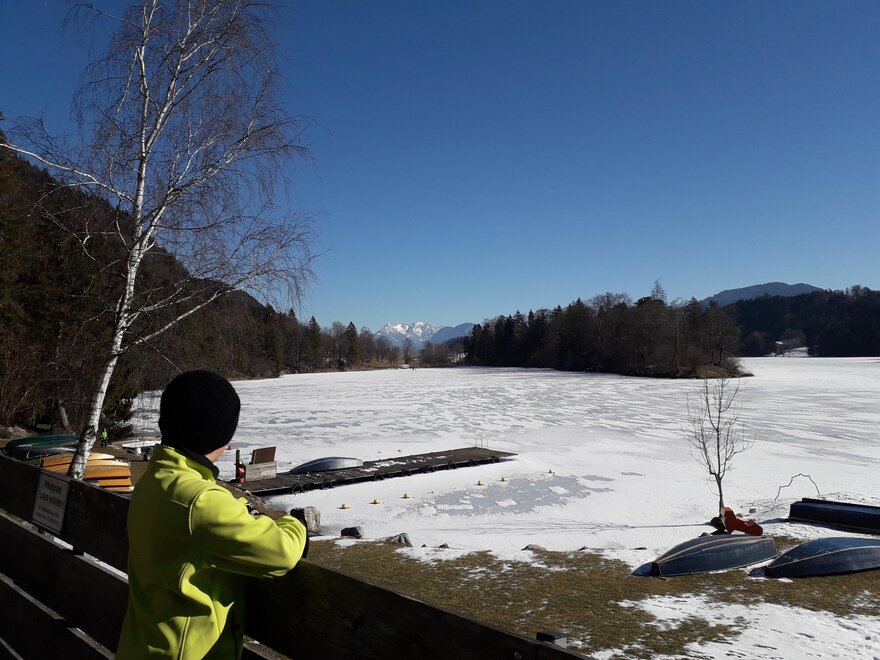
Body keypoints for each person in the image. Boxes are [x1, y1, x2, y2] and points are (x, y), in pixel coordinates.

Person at [116, 370, 308, 659]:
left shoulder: (154, 481)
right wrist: (294, 524)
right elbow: (280, 554)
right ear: (221, 436)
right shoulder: (200, 502)